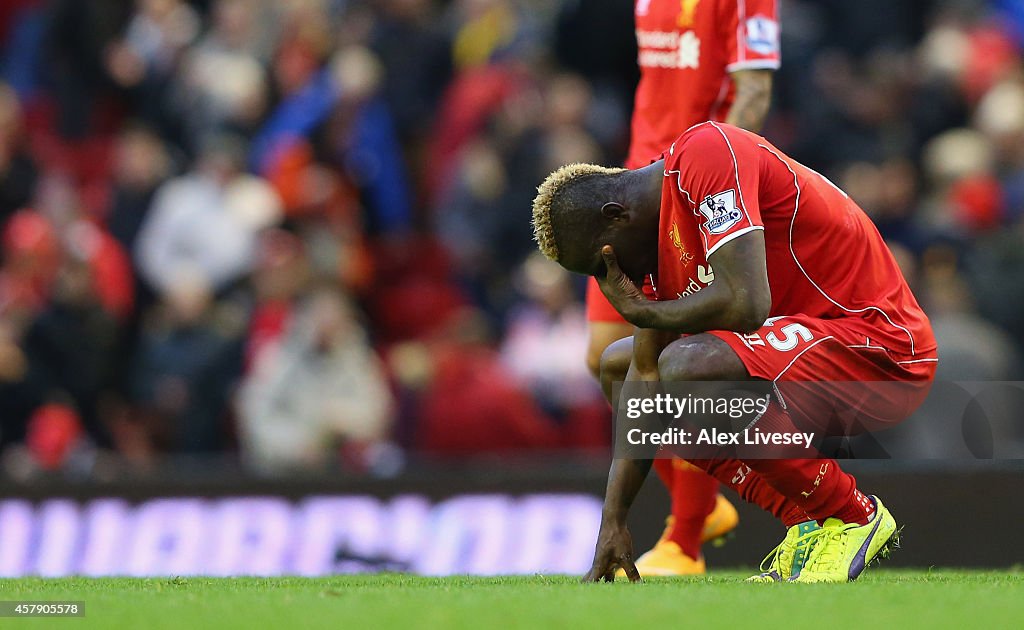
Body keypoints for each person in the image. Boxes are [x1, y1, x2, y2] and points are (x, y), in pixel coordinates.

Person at [531, 121, 937, 582]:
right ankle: (808, 522)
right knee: (620, 368)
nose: (611, 280)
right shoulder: (656, 249)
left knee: (688, 367)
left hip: (882, 346)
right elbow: (644, 379)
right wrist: (614, 522)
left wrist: (648, 314)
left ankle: (850, 514)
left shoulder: (706, 153)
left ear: (615, 214)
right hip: (818, 348)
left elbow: (748, 303)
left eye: (602, 263)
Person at [586, 0, 781, 576]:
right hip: (635, 188)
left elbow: (754, 93)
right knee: (604, 355)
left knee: (674, 363)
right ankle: (702, 500)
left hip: (695, 192)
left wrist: (715, 179)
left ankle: (686, 540)